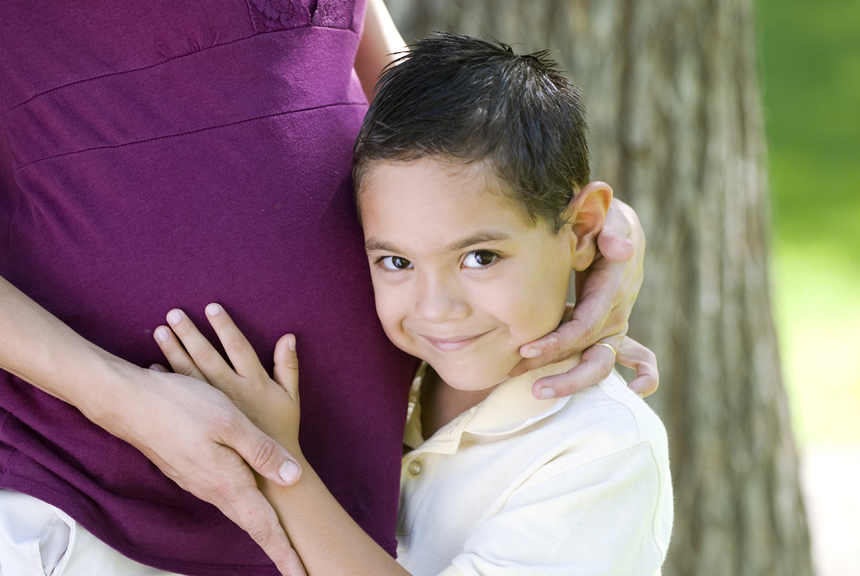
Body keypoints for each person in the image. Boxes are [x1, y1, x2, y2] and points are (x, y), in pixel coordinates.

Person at [0, 3, 653, 576]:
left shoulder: (584, 446)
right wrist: (119, 398)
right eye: (394, 262)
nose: (435, 305)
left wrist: (589, 230)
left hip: (311, 509)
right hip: (65, 503)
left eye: (478, 258)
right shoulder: (449, 369)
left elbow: (428, 131)